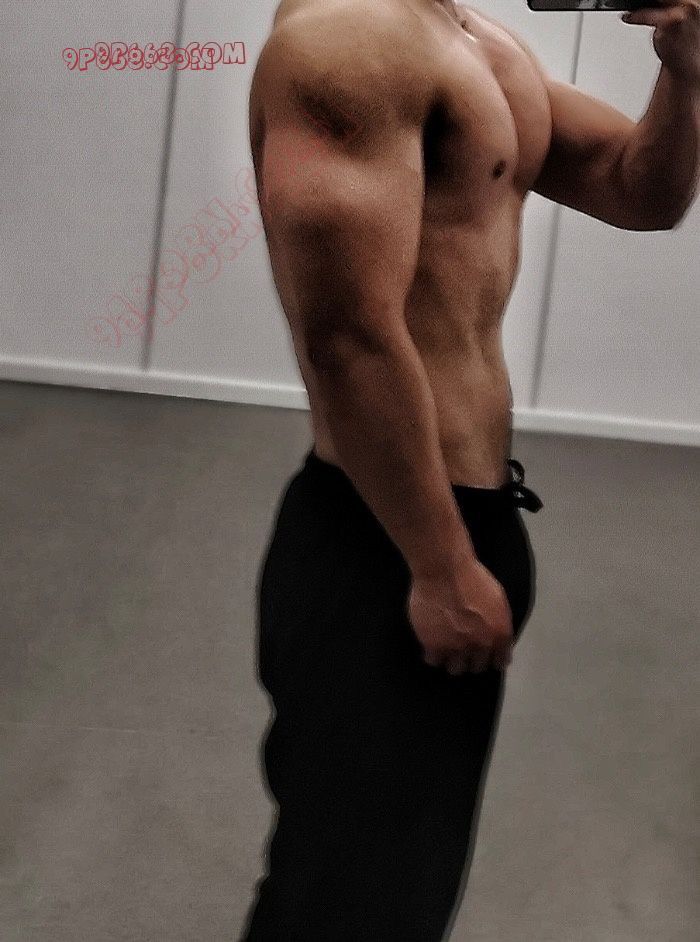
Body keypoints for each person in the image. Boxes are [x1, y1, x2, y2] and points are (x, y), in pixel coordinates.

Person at [240, 1, 699, 938]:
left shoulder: (473, 40)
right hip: (383, 537)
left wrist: (685, 73)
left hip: (463, 518)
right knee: (346, 903)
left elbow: (637, 190)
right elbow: (346, 338)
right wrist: (442, 567)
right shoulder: (347, 43)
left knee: (401, 890)